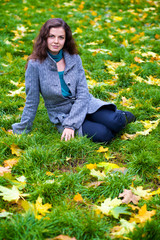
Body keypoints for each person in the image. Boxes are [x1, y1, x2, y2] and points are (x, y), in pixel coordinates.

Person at [12, 18, 136, 143]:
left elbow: (83, 93)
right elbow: (32, 100)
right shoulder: (35, 65)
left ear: (66, 40)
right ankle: (100, 122)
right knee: (104, 135)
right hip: (62, 115)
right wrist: (22, 128)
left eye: (61, 37)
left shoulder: (74, 58)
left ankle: (122, 116)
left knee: (116, 121)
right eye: (51, 36)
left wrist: (71, 125)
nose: (56, 41)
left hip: (85, 104)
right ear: (45, 38)